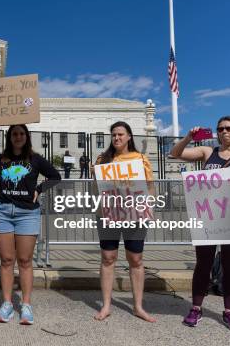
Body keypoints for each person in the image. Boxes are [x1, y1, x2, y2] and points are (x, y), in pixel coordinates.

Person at [170, 116, 230, 332]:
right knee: (203, 264)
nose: (224, 132)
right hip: (208, 217)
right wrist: (189, 137)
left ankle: (229, 312)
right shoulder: (209, 153)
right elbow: (176, 154)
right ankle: (196, 308)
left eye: (229, 128)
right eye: (220, 129)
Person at [0, 121, 61, 325]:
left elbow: (55, 176)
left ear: (26, 136)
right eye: (14, 133)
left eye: (22, 133)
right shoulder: (0, 159)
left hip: (27, 214)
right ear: (9, 137)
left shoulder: (35, 159)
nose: (18, 136)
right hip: (3, 212)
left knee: (24, 260)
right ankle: (6, 304)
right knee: (6, 260)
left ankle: (26, 305)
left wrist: (39, 190)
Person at [93, 121, 156, 323]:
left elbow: (149, 186)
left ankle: (138, 306)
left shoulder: (140, 159)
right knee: (108, 257)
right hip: (108, 213)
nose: (117, 138)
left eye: (121, 134)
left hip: (135, 214)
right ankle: (106, 305)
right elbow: (97, 188)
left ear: (129, 136)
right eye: (114, 135)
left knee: (135, 259)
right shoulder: (103, 159)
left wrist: (150, 206)